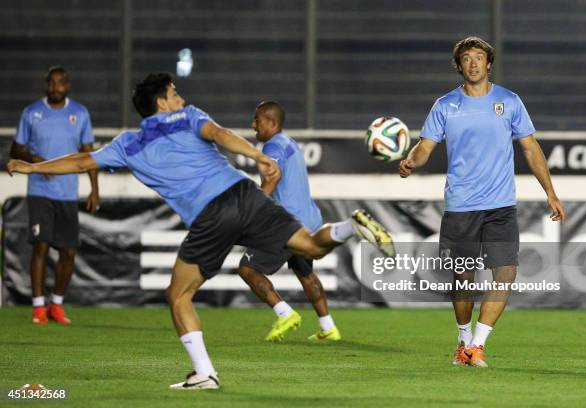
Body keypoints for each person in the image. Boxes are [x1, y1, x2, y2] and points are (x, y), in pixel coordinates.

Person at [8, 73, 394, 390]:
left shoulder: (128, 144)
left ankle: (204, 373)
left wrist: (30, 168)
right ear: (160, 102)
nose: (180, 97)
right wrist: (258, 156)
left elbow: (80, 161)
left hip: (212, 214)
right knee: (310, 246)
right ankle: (350, 227)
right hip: (244, 192)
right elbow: (221, 134)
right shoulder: (189, 116)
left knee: (178, 294)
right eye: (174, 93)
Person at [399, 37, 565, 368]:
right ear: (458, 65)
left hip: (501, 206)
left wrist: (550, 191)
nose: (473, 63)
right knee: (463, 280)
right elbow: (425, 147)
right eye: (466, 58)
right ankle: (463, 338)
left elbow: (531, 149)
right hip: (461, 206)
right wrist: (411, 160)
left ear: (489, 64)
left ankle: (477, 345)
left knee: (506, 274)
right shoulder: (445, 105)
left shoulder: (510, 101)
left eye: (479, 58)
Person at [238, 101, 340, 342]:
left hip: (288, 223)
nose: (253, 125)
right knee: (305, 273)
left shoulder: (273, 146)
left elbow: (273, 177)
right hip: (309, 219)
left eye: (257, 120)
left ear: (272, 123)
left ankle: (284, 313)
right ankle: (328, 327)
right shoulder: (288, 142)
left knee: (248, 268)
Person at [10, 66, 99, 325]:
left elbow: (88, 153)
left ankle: (56, 304)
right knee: (41, 246)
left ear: (67, 85)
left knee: (69, 252)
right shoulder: (31, 113)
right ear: (46, 84)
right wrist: (34, 160)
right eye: (52, 82)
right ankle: (38, 307)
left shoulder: (79, 113)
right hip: (39, 190)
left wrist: (95, 189)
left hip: (68, 193)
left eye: (61, 83)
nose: (56, 87)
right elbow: (16, 149)